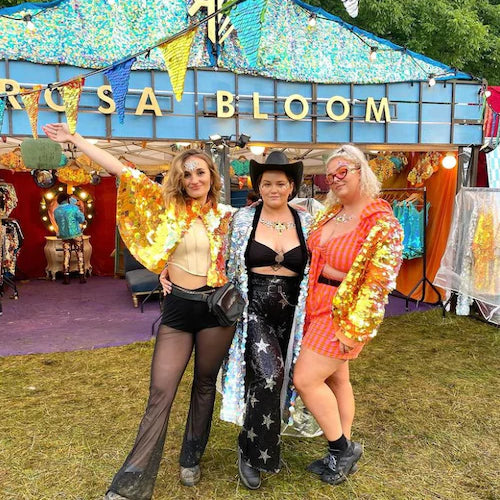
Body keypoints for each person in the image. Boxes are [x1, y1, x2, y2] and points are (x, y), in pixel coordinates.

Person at [42, 122, 235, 500]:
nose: (194, 179)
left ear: (211, 176)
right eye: (186, 174)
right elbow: (122, 170)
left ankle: (190, 458)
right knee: (160, 393)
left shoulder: (230, 216)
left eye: (200, 172)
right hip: (179, 309)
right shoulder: (167, 207)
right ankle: (131, 483)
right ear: (179, 180)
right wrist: (76, 140)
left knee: (204, 385)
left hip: (217, 311)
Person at [293, 144, 404, 486]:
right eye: (330, 175)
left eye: (343, 171)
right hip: (316, 303)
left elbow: (378, 282)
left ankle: (341, 448)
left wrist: (355, 329)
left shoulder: (380, 221)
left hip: (343, 314)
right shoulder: (331, 213)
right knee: (337, 379)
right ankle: (341, 450)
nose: (335, 179)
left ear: (361, 172)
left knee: (306, 379)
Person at [220, 151, 314, 489]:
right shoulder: (242, 220)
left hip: (294, 311)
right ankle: (251, 452)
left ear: (291, 186)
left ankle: (261, 440)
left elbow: (317, 266)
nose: (273, 189)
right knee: (268, 375)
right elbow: (221, 258)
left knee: (285, 378)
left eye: (280, 183)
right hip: (254, 307)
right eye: (266, 183)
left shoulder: (307, 222)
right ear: (257, 186)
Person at [53, 192, 86, 284]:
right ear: (67, 199)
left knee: (66, 255)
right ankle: (82, 275)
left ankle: (66, 277)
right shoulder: (74, 208)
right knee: (79, 254)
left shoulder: (56, 211)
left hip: (64, 235)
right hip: (76, 233)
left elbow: (57, 221)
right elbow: (82, 219)